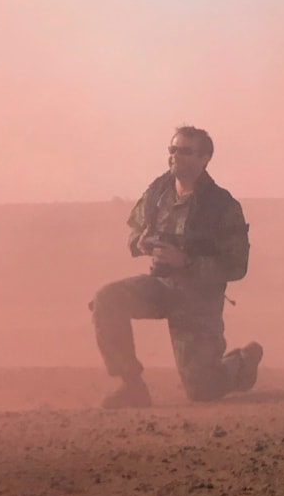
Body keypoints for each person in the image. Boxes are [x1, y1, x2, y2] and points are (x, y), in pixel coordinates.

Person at [89, 127, 261, 409]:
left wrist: (187, 262)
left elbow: (236, 265)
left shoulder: (222, 205)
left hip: (199, 299)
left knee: (202, 389)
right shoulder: (158, 192)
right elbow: (134, 230)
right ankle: (132, 386)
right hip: (161, 287)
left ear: (205, 158)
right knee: (106, 299)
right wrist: (140, 244)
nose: (176, 157)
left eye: (186, 151)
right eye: (173, 150)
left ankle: (242, 362)